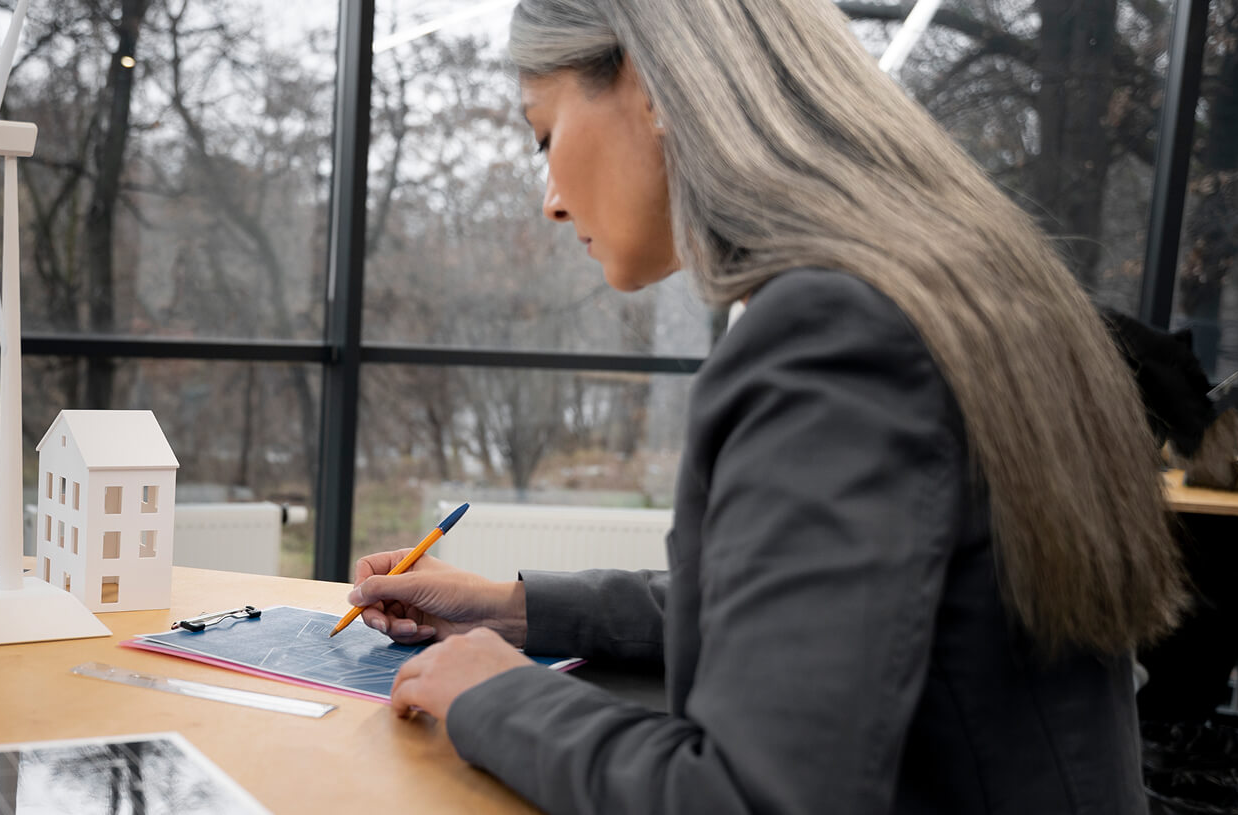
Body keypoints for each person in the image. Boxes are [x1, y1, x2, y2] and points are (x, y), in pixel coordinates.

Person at [348, 1, 1191, 813]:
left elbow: (753, 798)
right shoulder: (944, 287)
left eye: (544, 134)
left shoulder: (834, 333)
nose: (552, 197)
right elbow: (807, 623)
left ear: (648, 82)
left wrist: (502, 697)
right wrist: (513, 606)